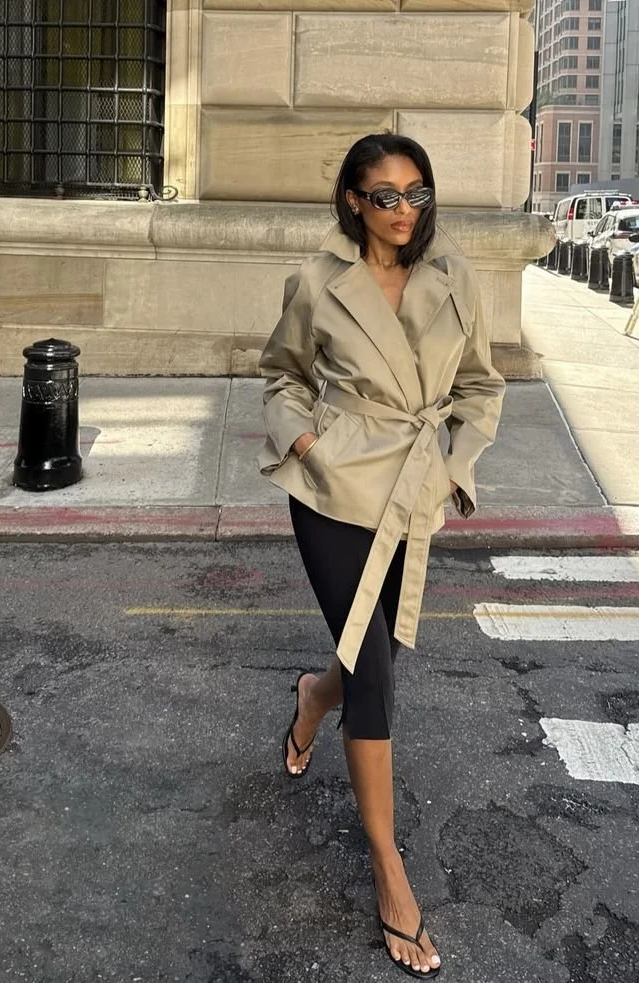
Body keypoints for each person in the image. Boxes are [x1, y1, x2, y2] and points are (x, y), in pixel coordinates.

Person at [257, 132, 505, 978]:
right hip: (334, 490)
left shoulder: (456, 277)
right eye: (386, 195)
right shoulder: (320, 283)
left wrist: (456, 471)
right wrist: (303, 438)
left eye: (417, 193)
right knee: (375, 666)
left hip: (413, 491)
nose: (405, 211)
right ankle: (389, 869)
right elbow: (282, 373)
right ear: (354, 202)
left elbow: (481, 385)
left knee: (373, 653)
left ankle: (310, 698)